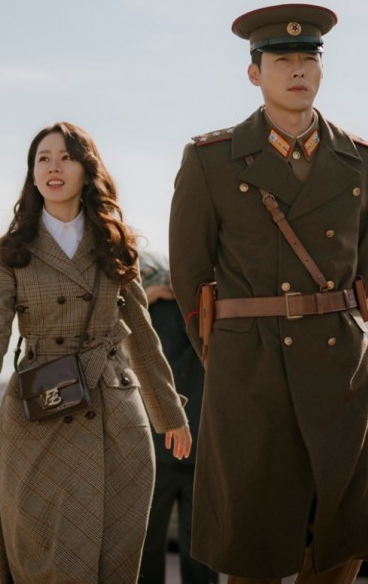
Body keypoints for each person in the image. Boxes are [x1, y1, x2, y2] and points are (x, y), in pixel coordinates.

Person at [168, 4, 368, 584]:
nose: (296, 70)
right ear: (255, 72)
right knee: (254, 537)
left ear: (321, 70)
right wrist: (230, 353)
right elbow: (190, 278)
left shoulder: (362, 163)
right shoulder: (210, 161)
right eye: (281, 60)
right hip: (250, 371)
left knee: (341, 530)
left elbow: (362, 270)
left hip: (338, 371)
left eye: (308, 59)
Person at [0, 122, 193, 583]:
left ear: (87, 169)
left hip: (114, 415)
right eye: (42, 158)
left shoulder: (116, 243)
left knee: (113, 556)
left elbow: (142, 335)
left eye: (65, 156)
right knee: (41, 554)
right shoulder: (10, 251)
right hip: (40, 410)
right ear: (32, 174)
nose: (53, 167)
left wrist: (170, 413)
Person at [137, 250, 216, 584]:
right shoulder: (207, 316)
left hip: (157, 444)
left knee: (149, 540)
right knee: (201, 543)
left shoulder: (146, 318)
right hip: (202, 442)